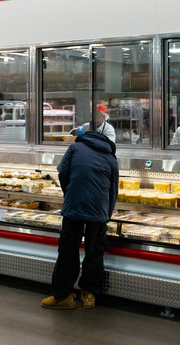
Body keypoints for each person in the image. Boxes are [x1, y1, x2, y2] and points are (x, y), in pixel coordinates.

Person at [41, 130, 119, 310]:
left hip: (74, 206)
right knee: (94, 252)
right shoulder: (110, 157)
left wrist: (70, 194)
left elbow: (62, 173)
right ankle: (89, 295)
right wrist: (106, 215)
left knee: (68, 250)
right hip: (98, 210)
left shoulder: (75, 148)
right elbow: (113, 190)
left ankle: (63, 297)